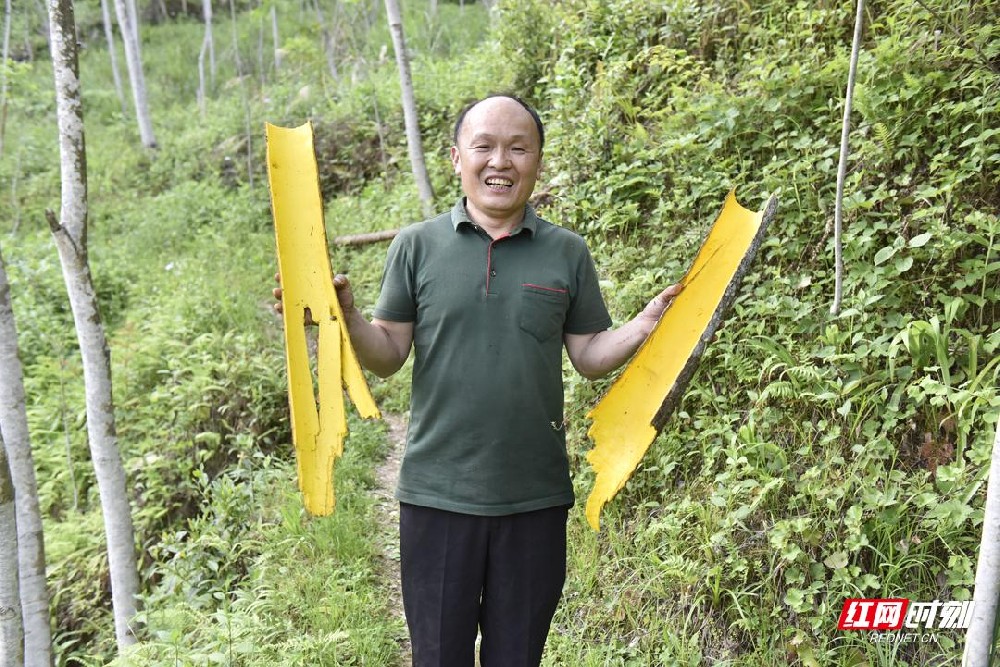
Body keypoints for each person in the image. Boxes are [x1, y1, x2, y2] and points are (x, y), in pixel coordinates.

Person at [275, 94, 680, 667]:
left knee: (518, 657)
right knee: (439, 656)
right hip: (438, 496)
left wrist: (642, 326)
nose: (501, 161)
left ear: (538, 161)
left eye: (518, 148)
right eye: (485, 146)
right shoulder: (416, 246)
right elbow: (388, 353)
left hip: (533, 499)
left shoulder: (567, 252)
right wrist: (345, 319)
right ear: (456, 157)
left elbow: (589, 354)